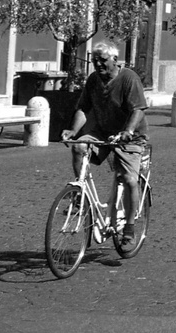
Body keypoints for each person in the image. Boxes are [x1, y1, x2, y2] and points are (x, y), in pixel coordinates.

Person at [62, 41, 149, 247]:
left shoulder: (129, 78)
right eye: (94, 61)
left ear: (115, 60)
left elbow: (138, 109)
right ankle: (80, 194)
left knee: (128, 179)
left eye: (102, 61)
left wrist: (127, 131)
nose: (98, 65)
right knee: (79, 146)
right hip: (102, 132)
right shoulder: (93, 80)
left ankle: (129, 228)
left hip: (130, 136)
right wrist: (73, 131)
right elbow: (83, 108)